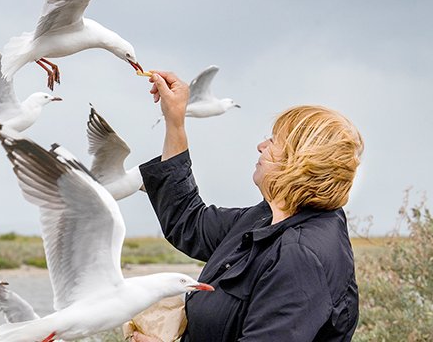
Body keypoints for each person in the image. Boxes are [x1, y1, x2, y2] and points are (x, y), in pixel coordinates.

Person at [133, 71, 363, 341]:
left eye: (274, 141)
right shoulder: (269, 217)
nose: (260, 146)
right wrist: (175, 122)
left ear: (301, 161)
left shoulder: (300, 257)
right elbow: (190, 223)